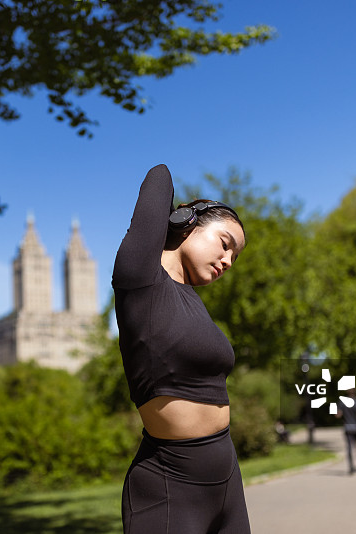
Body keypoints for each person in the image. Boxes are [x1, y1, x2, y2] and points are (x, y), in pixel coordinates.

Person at [113, 164, 250, 534]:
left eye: (234, 258)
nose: (227, 261)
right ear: (186, 222)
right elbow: (160, 177)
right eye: (225, 244)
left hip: (227, 479)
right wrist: (182, 215)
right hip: (171, 484)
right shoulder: (140, 278)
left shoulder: (191, 302)